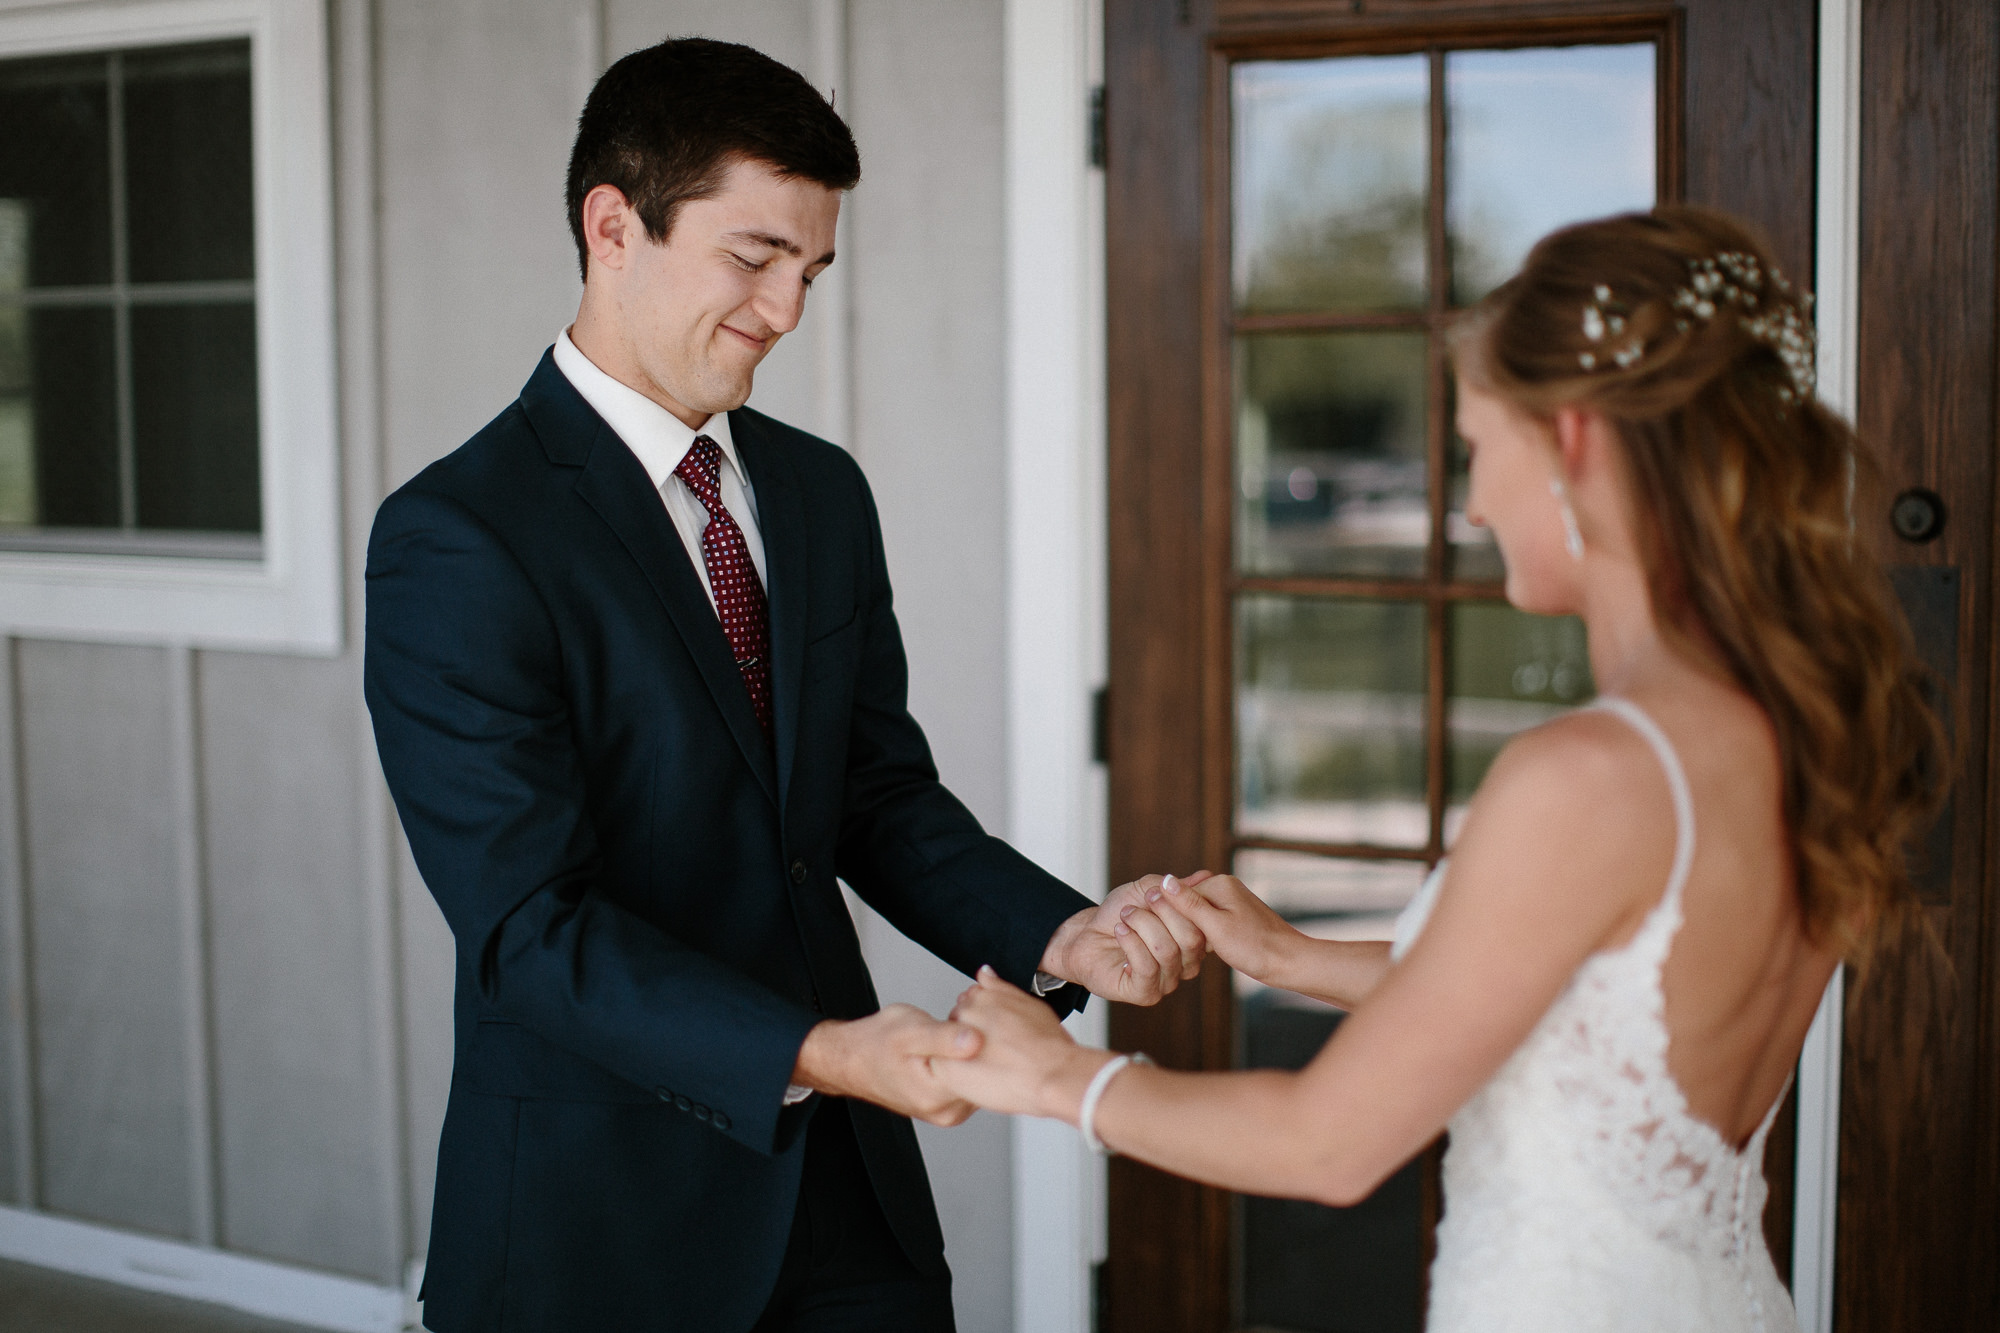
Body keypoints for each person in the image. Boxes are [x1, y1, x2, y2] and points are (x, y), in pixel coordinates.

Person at [932, 205, 1944, 1331]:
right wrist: (1286, 952)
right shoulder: (1793, 731)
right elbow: (1582, 1004)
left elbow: (1326, 1143)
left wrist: (1049, 1078)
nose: (1467, 503)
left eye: (1474, 446)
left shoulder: (1590, 776)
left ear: (1572, 442)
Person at [364, 38, 1202, 1333]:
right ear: (613, 228)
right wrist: (824, 1052)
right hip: (604, 1218)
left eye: (810, 270)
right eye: (753, 258)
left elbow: (876, 794)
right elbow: (531, 929)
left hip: (849, 1197)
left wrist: (1059, 933)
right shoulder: (459, 538)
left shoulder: (818, 492)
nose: (786, 310)